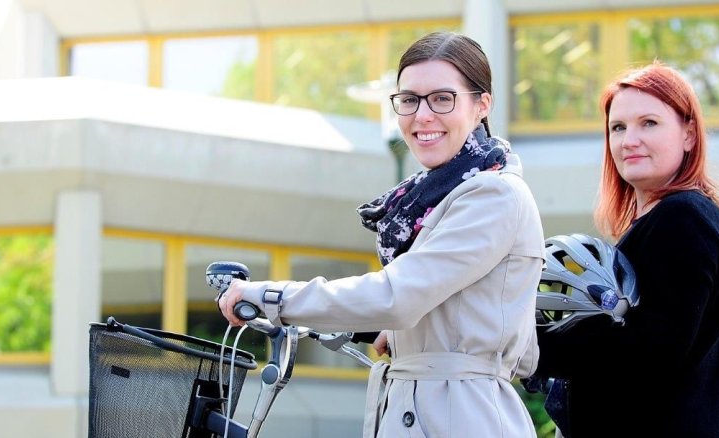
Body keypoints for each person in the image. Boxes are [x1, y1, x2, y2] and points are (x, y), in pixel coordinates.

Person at [218, 31, 543, 438]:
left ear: (481, 105)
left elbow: (397, 296)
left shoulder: (493, 194)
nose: (422, 115)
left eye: (442, 98)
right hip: (424, 405)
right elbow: (436, 301)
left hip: (462, 415)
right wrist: (407, 338)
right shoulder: (435, 198)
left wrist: (271, 297)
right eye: (409, 100)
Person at [534, 62, 719, 437]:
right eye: (618, 127)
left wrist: (533, 346)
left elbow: (649, 353)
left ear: (689, 134)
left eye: (649, 123)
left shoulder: (684, 218)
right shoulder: (666, 218)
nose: (629, 140)